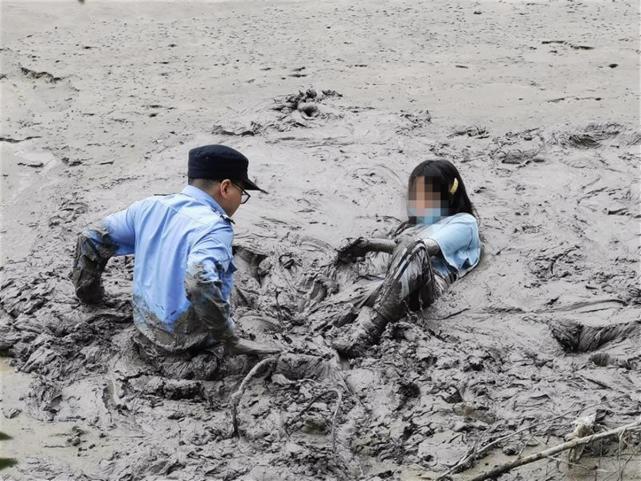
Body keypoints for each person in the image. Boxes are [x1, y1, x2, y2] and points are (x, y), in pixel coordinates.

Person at [71, 145, 280, 378]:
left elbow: (90, 238)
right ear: (226, 187)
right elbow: (200, 281)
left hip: (143, 332)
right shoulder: (214, 228)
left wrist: (91, 297)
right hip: (189, 349)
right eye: (242, 192)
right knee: (276, 360)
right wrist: (229, 338)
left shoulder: (149, 206)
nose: (241, 200)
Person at [331, 159, 481, 357]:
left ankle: (371, 330)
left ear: (448, 195)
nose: (419, 202)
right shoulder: (410, 227)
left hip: (426, 286)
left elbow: (425, 249)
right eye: (415, 195)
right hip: (388, 285)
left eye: (427, 195)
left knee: (413, 246)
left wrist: (369, 244)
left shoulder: (464, 222)